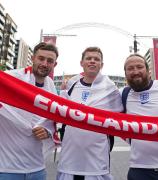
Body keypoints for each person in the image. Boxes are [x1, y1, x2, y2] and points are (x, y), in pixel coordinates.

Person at [56, 47, 123, 180]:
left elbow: (121, 116)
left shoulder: (110, 88)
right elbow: (60, 112)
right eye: (89, 58)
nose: (92, 61)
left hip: (97, 162)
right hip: (69, 159)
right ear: (82, 63)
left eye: (96, 59)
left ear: (101, 65)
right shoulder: (72, 84)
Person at [0, 42, 59, 180]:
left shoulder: (52, 88)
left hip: (38, 168)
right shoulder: (10, 79)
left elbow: (53, 120)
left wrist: (47, 131)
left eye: (50, 61)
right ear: (33, 58)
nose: (44, 63)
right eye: (41, 58)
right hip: (7, 169)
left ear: (54, 65)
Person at [122, 53, 158, 180]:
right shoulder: (123, 95)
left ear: (148, 71)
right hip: (140, 170)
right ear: (125, 74)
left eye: (139, 67)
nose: (135, 71)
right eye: (130, 68)